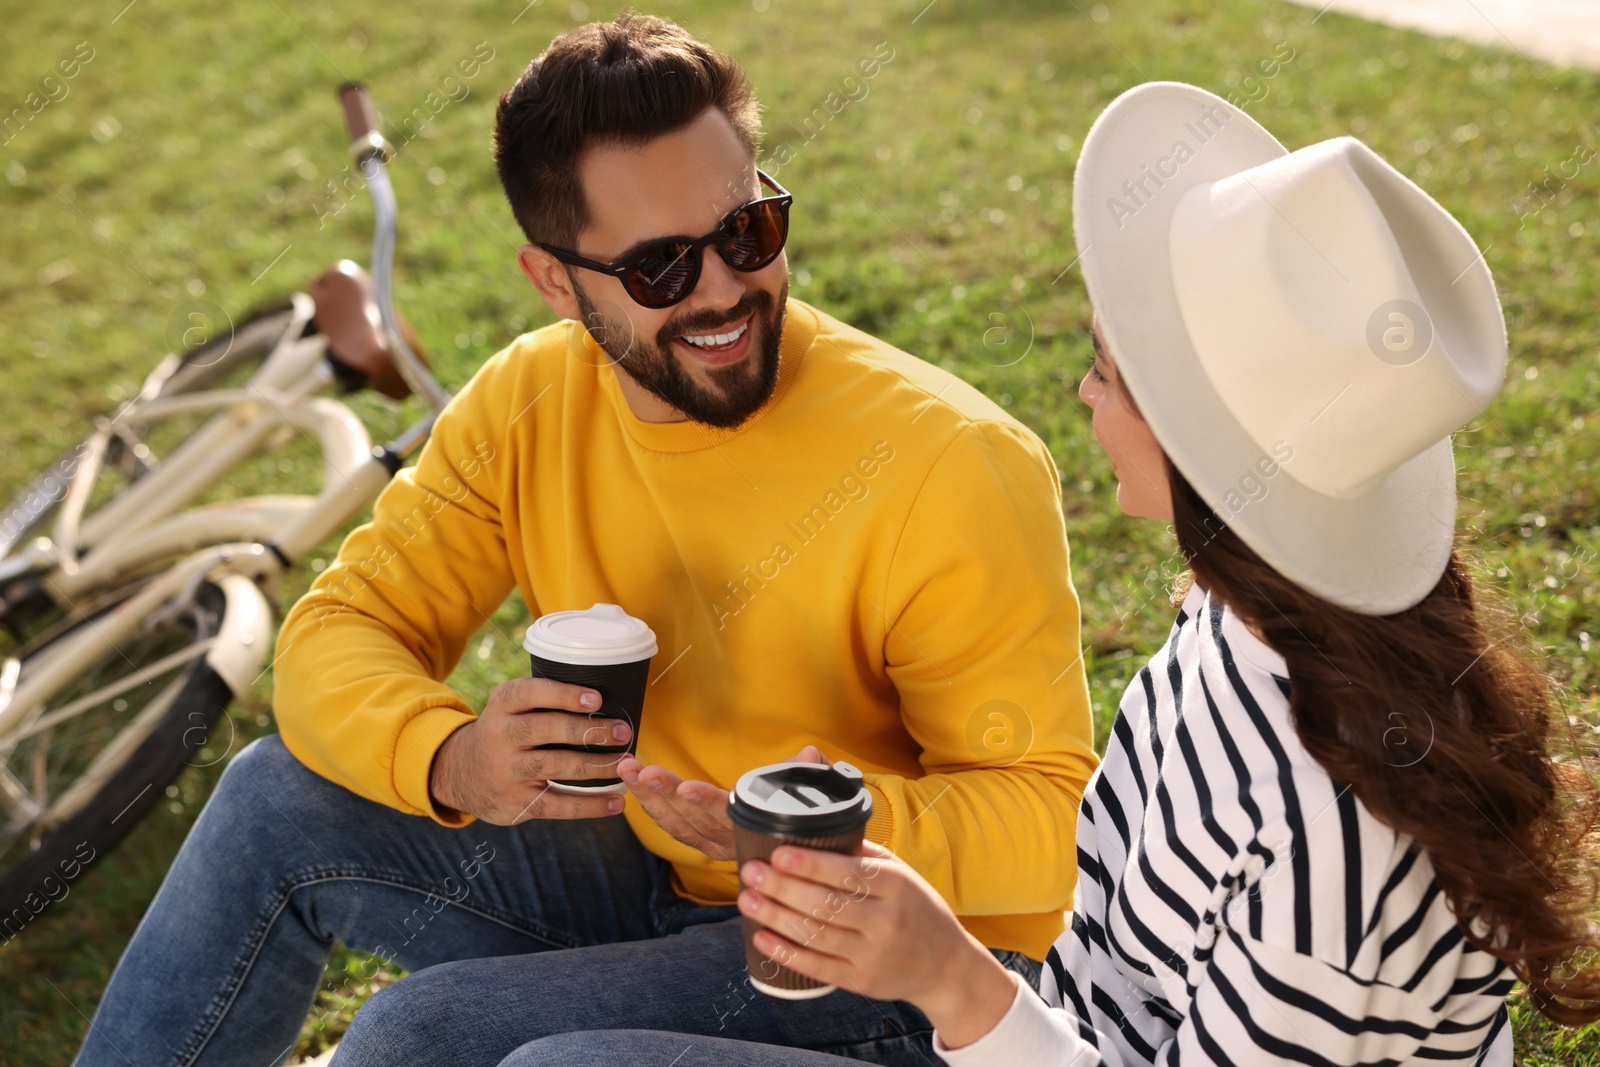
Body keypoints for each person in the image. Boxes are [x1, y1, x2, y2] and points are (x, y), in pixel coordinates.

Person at [471, 82, 1600, 1066]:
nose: (1083, 400)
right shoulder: (1244, 621)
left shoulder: (1332, 869)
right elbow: (1098, 944)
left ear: (1199, 453)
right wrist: (877, 880)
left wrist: (951, 978)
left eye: (1104, 371)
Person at [71, 13, 1099, 1067]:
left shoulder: (950, 460)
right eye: (659, 268)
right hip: (652, 878)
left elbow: (1048, 822)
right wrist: (454, 758)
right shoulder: (530, 399)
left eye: (747, 232)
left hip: (888, 964)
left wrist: (810, 829)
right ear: (556, 281)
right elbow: (342, 627)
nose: (721, 290)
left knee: (419, 1037)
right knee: (268, 802)